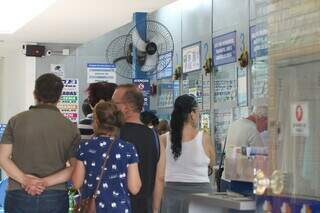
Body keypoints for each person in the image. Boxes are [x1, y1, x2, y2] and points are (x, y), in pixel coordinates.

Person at [0, 73, 80, 213]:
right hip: (55, 195)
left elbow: (3, 158)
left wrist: (26, 181)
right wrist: (44, 183)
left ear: (35, 93)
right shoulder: (70, 127)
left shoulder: (16, 121)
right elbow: (75, 167)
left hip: (18, 192)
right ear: (59, 96)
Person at [72, 101, 141, 212]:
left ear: (96, 121)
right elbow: (135, 188)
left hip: (92, 208)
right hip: (119, 209)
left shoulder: (84, 147)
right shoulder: (128, 148)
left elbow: (76, 183)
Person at [153, 94, 216, 213]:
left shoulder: (163, 139)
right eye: (198, 112)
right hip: (202, 197)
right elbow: (212, 163)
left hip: (172, 196)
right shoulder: (204, 138)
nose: (199, 115)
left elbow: (160, 176)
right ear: (192, 114)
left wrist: (156, 208)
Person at [112, 84, 160, 213]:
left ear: (126, 108)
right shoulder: (155, 137)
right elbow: (159, 178)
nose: (111, 108)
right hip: (144, 207)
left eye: (114, 103)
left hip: (116, 206)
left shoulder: (114, 135)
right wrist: (155, 210)